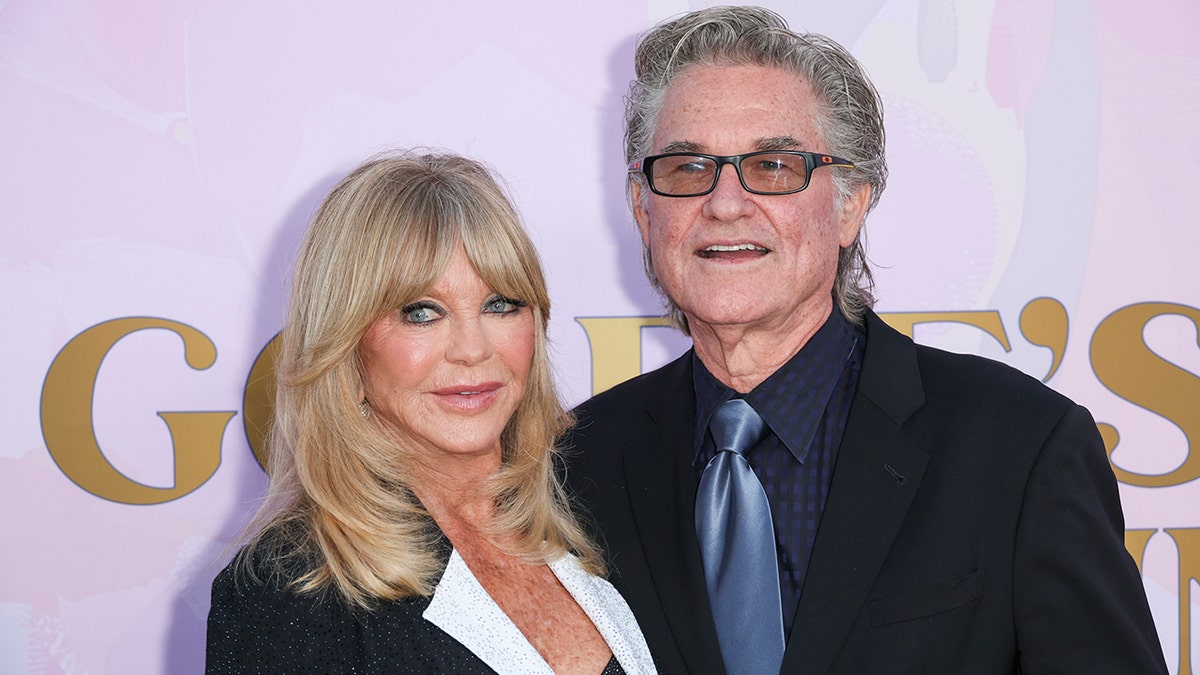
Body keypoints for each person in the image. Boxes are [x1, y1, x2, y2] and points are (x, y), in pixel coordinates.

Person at [561, 6, 1167, 674]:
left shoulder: (1020, 447)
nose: (726, 202)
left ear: (850, 203)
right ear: (645, 211)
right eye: (686, 167)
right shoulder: (576, 468)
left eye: (772, 165)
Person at [206, 151, 655, 674]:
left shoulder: (594, 515)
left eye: (501, 304)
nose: (472, 349)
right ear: (345, 348)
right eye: (421, 312)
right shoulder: (287, 590)